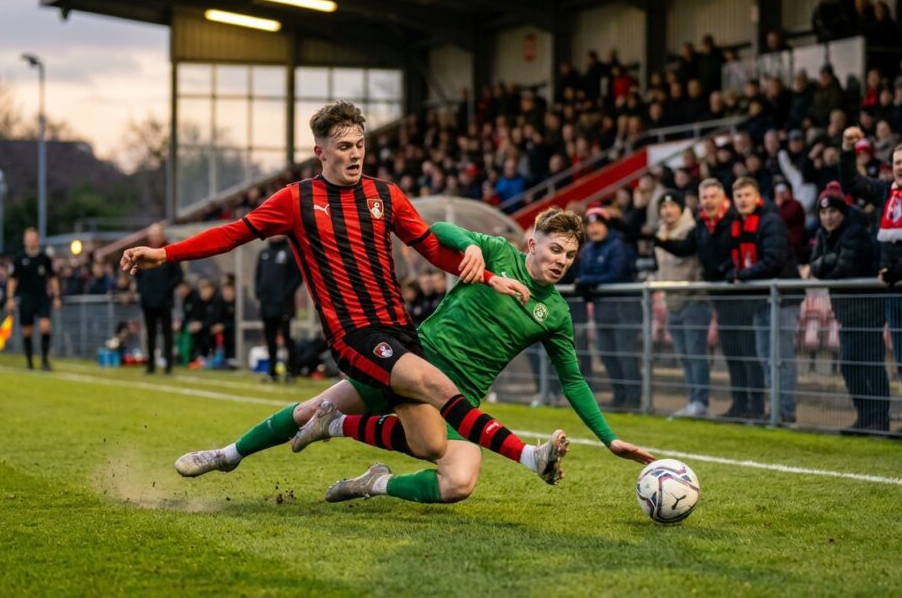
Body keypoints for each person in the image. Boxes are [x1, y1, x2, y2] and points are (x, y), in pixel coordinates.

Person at [122, 101, 564, 483]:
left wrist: (487, 276)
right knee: (435, 383)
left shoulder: (385, 195)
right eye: (344, 147)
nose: (355, 156)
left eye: (360, 145)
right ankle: (531, 457)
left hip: (399, 331)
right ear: (320, 152)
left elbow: (430, 246)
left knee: (428, 444)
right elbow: (234, 233)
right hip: (354, 336)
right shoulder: (295, 200)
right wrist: (166, 254)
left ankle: (230, 454)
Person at [175, 208, 655, 504]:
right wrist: (467, 245)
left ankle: (371, 482)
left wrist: (609, 439)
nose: (561, 260)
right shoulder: (497, 253)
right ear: (532, 243)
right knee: (306, 411)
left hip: (459, 398)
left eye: (569, 256)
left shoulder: (555, 312)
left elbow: (572, 380)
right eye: (555, 249)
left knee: (458, 484)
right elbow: (436, 229)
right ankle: (227, 454)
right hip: (408, 359)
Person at [654, 179, 767, 420]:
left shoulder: (734, 220)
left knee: (748, 352)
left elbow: (736, 253)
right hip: (722, 296)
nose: (708, 201)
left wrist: (727, 271)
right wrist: (661, 240)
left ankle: (757, 406)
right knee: (732, 353)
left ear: (723, 198)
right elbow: (685, 247)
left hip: (741, 293)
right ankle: (739, 404)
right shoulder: (703, 226)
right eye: (704, 197)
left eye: (712, 196)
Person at [809, 184, 890, 433]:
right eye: (823, 214)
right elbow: (815, 266)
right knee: (849, 365)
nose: (827, 217)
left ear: (842, 212)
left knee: (871, 365)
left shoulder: (854, 231)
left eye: (832, 212)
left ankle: (879, 419)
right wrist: (827, 263)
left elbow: (844, 269)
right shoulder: (824, 235)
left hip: (868, 310)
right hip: (846, 312)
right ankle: (865, 417)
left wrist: (825, 265)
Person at [724, 177, 801, 423]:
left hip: (782, 299)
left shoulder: (770, 221)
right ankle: (776, 410)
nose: (742, 200)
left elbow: (774, 260)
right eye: (738, 196)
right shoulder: (739, 223)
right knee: (766, 357)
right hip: (761, 299)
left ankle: (785, 412)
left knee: (780, 358)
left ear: (757, 196)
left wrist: (742, 275)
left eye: (747, 195)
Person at [839, 127, 902, 388]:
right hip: (893, 292)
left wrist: (897, 272)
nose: (901, 167)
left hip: (894, 280)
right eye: (898, 162)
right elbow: (852, 183)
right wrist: (846, 150)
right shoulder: (886, 191)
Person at [575, 207, 642, 410]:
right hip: (603, 310)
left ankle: (634, 398)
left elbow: (616, 274)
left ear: (606, 226)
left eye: (598, 224)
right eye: (590, 225)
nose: (594, 228)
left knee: (625, 355)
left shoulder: (618, 245)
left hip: (624, 310)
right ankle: (619, 396)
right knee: (607, 355)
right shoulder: (587, 250)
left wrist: (586, 281)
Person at [653, 191, 712, 417]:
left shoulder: (691, 230)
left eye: (672, 206)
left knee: (696, 354)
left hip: (693, 299)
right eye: (664, 207)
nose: (667, 211)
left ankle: (701, 402)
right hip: (672, 300)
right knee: (685, 355)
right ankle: (693, 401)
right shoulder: (661, 232)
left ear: (681, 208)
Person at [6, 228, 60, 371]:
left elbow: (53, 278)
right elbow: (12, 280)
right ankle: (29, 362)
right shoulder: (19, 258)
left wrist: (56, 296)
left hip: (42, 296)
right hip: (25, 297)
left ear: (38, 240)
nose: (31, 241)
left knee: (45, 326)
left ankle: (44, 360)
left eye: (33, 238)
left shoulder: (44, 259)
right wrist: (10, 298)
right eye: (28, 238)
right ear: (25, 241)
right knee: (27, 331)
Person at [136, 223, 183, 374]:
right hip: (148, 300)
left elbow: (178, 275)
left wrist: (165, 289)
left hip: (164, 301)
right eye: (152, 234)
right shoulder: (144, 252)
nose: (154, 237)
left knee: (167, 333)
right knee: (150, 334)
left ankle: (168, 365)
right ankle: (150, 365)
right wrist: (143, 290)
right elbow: (138, 274)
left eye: (157, 234)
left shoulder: (169, 251)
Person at [255, 235, 302, 382]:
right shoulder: (264, 253)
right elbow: (258, 276)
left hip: (284, 306)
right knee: (270, 340)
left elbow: (297, 276)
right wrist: (260, 293)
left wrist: (285, 294)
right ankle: (272, 372)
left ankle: (292, 372)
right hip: (267, 305)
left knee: (288, 339)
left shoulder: (289, 251)